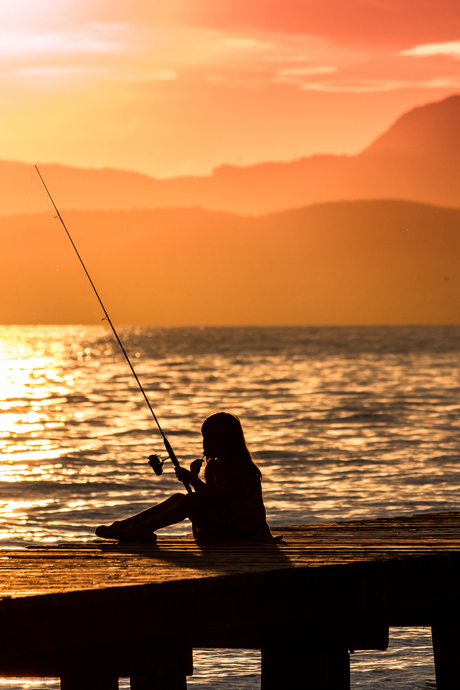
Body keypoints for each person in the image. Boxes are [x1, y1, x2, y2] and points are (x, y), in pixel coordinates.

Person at [95, 411, 271, 542]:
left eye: (214, 439)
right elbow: (209, 499)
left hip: (245, 530)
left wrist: (192, 479)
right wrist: (194, 476)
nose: (207, 443)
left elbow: (220, 499)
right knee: (180, 498)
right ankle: (124, 525)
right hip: (225, 525)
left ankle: (139, 530)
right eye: (205, 438)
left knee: (191, 500)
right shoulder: (212, 468)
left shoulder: (238, 465)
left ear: (230, 442)